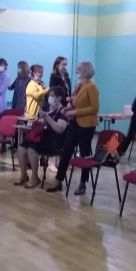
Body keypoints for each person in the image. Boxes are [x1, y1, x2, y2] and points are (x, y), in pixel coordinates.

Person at [46, 61, 99, 195]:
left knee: (84, 154)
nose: (76, 71)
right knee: (66, 151)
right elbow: (76, 104)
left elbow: (95, 108)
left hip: (86, 124)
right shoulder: (78, 86)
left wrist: (76, 112)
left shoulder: (91, 87)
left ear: (86, 70)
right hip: (74, 123)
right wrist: (69, 109)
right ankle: (59, 180)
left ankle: (83, 182)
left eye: (79, 69)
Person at [15, 87, 68, 188]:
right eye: (49, 96)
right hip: (40, 137)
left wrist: (47, 117)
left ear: (59, 98)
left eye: (52, 96)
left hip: (54, 140)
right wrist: (28, 128)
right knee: (21, 148)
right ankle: (24, 175)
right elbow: (39, 124)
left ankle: (34, 177)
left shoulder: (63, 111)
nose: (50, 98)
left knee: (31, 149)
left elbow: (60, 129)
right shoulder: (45, 108)